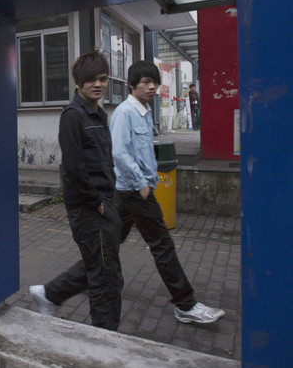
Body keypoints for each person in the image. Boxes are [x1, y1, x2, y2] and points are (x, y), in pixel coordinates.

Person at [30, 60, 224, 325]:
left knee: (104, 258)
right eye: (145, 82)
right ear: (132, 85)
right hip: (128, 193)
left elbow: (106, 157)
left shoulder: (106, 113)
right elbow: (99, 160)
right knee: (145, 252)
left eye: (103, 79)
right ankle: (184, 303)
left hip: (119, 196)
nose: (151, 87)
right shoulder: (102, 114)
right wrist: (114, 194)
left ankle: (51, 293)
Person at [36, 49, 124, 331]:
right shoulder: (73, 116)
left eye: (102, 79)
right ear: (77, 83)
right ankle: (105, 336)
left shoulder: (99, 114)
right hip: (89, 207)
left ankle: (50, 294)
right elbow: (74, 167)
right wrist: (97, 201)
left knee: (103, 269)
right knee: (105, 277)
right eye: (90, 80)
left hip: (103, 202)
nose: (98, 84)